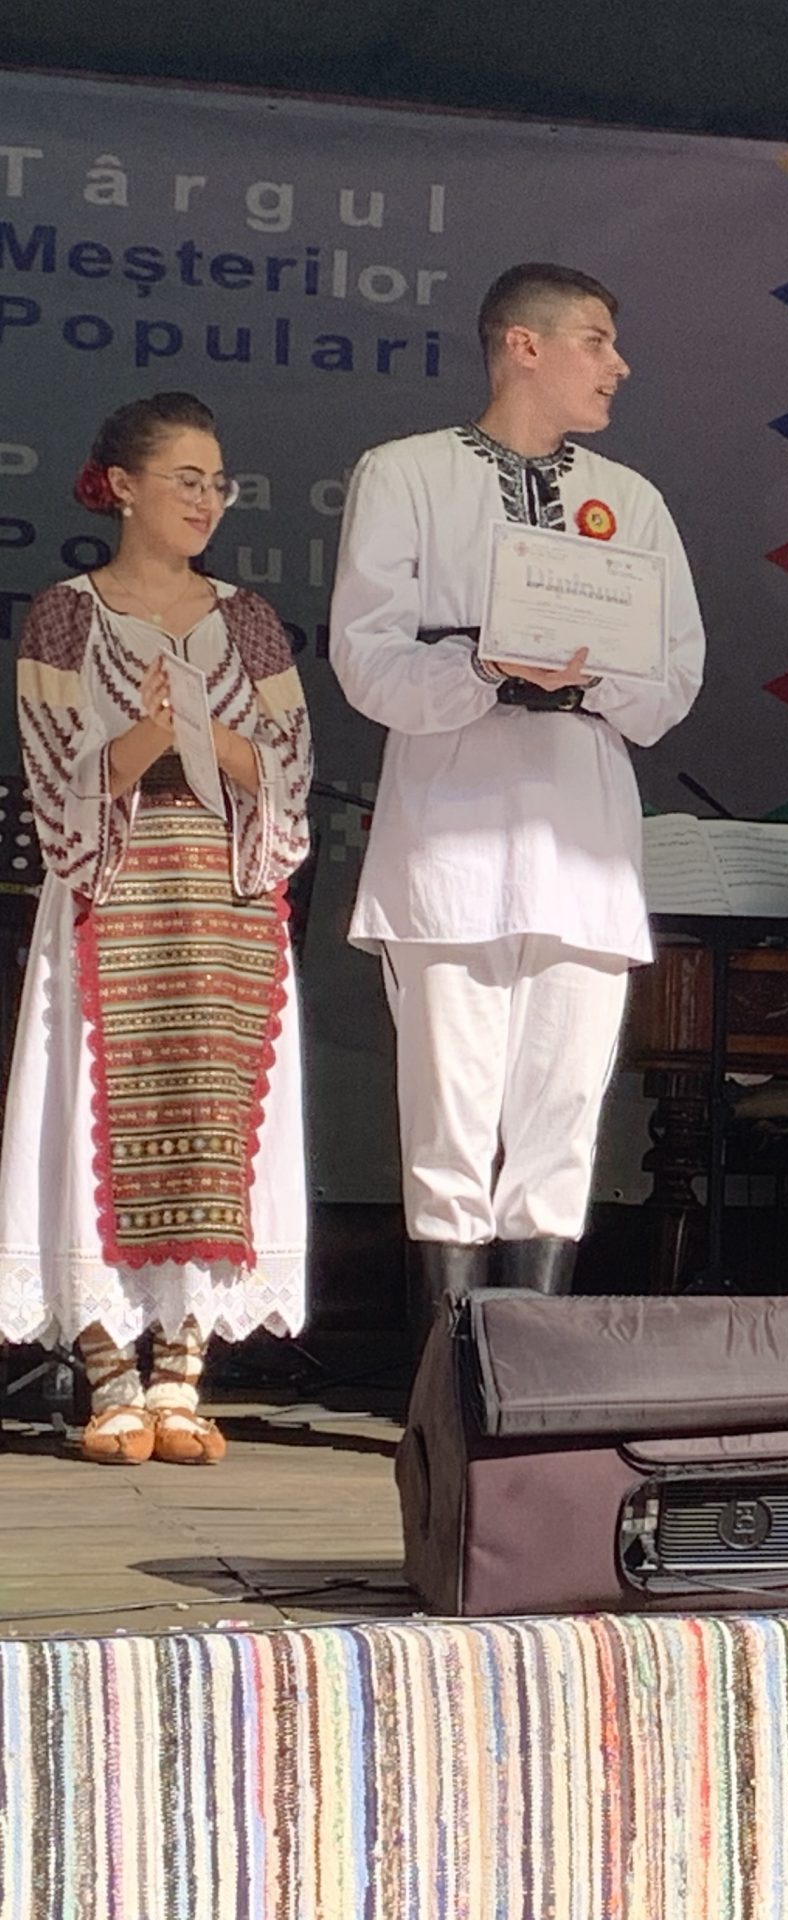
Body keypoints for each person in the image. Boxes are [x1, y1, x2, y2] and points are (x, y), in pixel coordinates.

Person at [332, 263, 705, 1324]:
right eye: (596, 340)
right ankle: (448, 1372)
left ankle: (533, 1365)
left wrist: (581, 679)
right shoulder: (406, 474)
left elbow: (673, 676)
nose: (618, 365)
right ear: (522, 346)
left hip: (582, 844)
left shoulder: (630, 500)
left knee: (563, 1120)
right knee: (447, 1120)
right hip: (448, 838)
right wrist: (487, 666)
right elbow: (366, 661)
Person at [0, 393, 313, 1465]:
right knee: (93, 1113)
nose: (207, 500)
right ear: (121, 487)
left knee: (216, 1119)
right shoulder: (65, 616)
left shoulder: (248, 619)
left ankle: (183, 1376)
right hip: (116, 889)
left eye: (218, 483)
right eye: (187, 479)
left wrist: (207, 735)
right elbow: (57, 778)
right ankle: (109, 1378)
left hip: (225, 892)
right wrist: (148, 735)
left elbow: (288, 767)